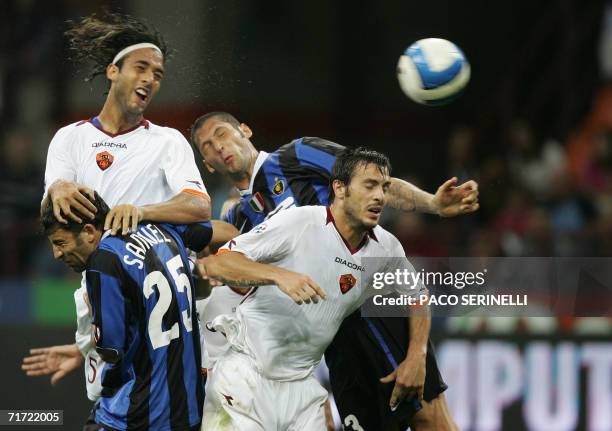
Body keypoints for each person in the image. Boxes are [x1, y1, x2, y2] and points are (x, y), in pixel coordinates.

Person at [190, 112, 473, 430]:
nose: (219, 146)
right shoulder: (239, 215)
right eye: (208, 147)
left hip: (370, 306)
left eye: (223, 134)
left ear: (245, 130)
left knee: (427, 418)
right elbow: (217, 255)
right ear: (208, 165)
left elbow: (372, 181)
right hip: (329, 340)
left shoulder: (296, 155)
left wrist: (432, 204)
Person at [20, 13, 221, 423]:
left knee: (136, 403)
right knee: (117, 395)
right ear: (113, 71)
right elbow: (55, 217)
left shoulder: (166, 141)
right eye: (141, 68)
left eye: (159, 74)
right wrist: (54, 189)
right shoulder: (70, 138)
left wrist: (142, 210)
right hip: (98, 291)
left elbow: (199, 207)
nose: (151, 79)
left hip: (154, 290)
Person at [41, 192, 209, 430]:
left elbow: (111, 350)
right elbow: (210, 231)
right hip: (188, 411)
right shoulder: (162, 229)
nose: (57, 254)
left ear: (89, 231)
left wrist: (95, 317)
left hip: (136, 414)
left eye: (60, 243)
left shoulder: (103, 261)